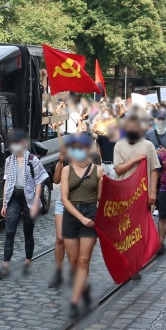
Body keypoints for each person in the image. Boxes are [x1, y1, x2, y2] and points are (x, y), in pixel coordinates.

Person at [52, 133, 103, 317]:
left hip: (90, 214)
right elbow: (64, 199)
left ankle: (76, 298)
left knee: (83, 260)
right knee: (73, 261)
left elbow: (101, 198)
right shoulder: (67, 170)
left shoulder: (98, 170)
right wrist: (80, 218)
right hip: (72, 216)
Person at [0, 129, 47, 279]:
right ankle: (5, 265)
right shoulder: (9, 160)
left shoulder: (32, 159)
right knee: (10, 231)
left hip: (29, 198)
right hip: (14, 197)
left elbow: (40, 181)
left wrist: (36, 202)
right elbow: (6, 182)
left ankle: (27, 261)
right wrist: (4, 204)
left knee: (28, 231)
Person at [112, 113, 160, 209]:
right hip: (124, 194)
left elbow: (154, 170)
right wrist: (135, 160)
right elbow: (118, 170)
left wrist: (153, 193)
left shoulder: (148, 145)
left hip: (143, 193)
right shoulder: (119, 145)